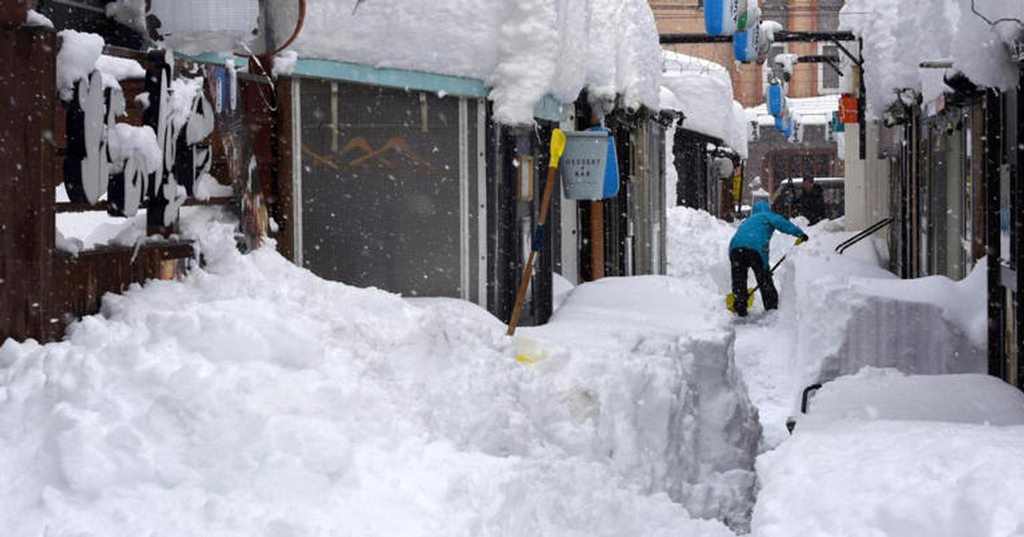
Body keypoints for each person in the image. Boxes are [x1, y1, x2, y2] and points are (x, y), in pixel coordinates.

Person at [728, 200, 808, 317]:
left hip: (735, 249)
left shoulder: (747, 221)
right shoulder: (767, 215)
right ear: (767, 209)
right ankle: (771, 309)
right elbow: (782, 224)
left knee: (739, 279)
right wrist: (799, 233)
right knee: (764, 280)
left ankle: (740, 305)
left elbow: (739, 237)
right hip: (754, 248)